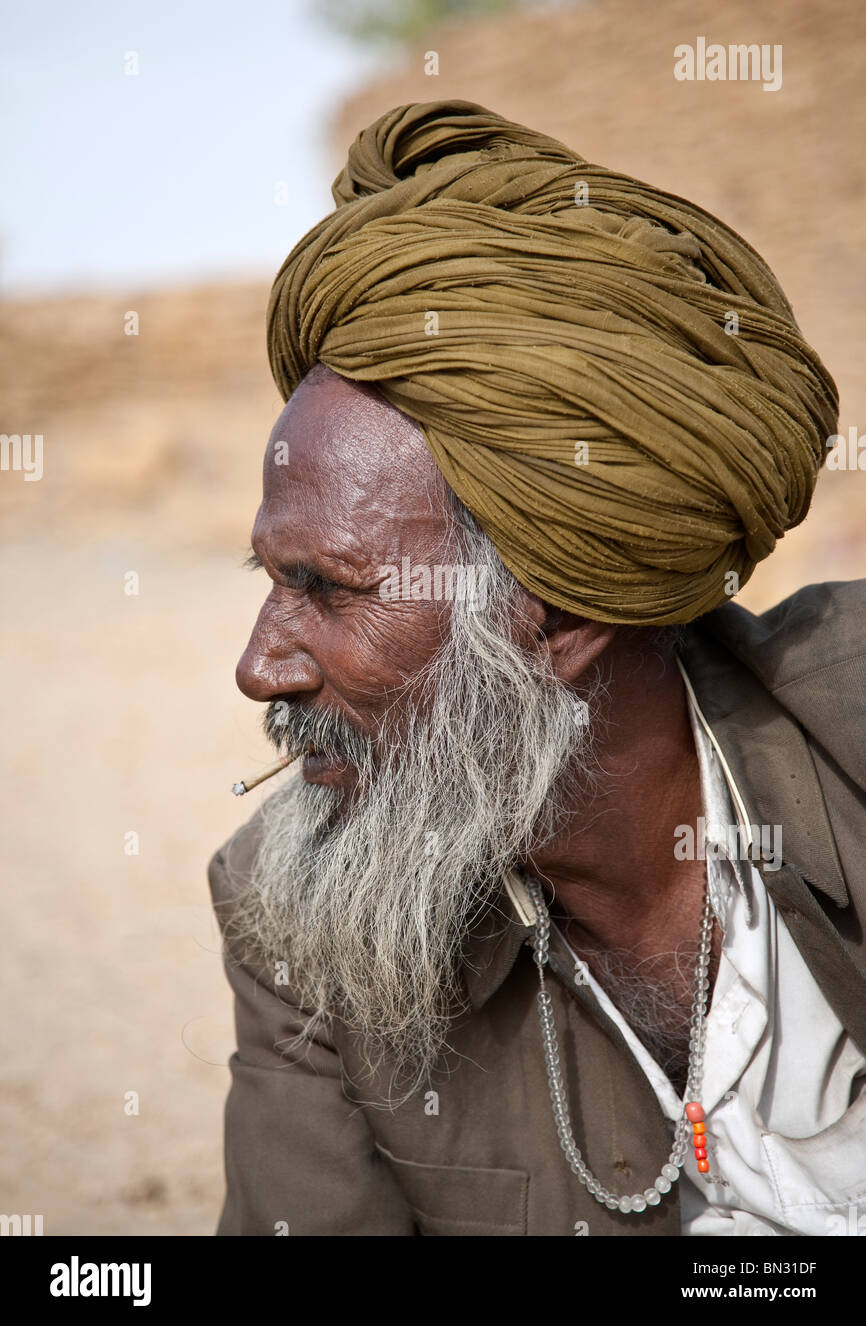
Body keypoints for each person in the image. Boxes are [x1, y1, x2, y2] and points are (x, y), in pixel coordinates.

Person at [209, 101, 866, 1237]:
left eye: (327, 588)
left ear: (555, 615)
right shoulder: (290, 918)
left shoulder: (847, 729)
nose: (259, 668)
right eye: (271, 579)